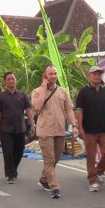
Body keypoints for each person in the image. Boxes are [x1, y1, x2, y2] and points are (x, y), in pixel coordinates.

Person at [31, 65, 78, 199]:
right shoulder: (37, 91)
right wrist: (44, 88)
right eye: (50, 74)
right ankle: (54, 186)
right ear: (45, 76)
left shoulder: (62, 92)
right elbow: (37, 106)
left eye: (55, 74)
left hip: (59, 130)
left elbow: (69, 109)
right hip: (45, 130)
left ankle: (43, 179)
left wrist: (74, 125)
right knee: (49, 159)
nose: (53, 76)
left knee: (56, 158)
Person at [76, 66, 105, 193]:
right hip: (89, 129)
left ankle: (98, 172)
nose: (97, 76)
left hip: (104, 129)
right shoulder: (83, 92)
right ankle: (93, 180)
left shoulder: (104, 91)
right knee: (91, 156)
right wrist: (80, 127)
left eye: (99, 74)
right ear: (89, 76)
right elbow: (79, 110)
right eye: (94, 74)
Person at [0, 72, 35, 184]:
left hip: (20, 129)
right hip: (5, 129)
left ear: (16, 80)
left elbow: (29, 110)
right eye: (8, 79)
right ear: (5, 81)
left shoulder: (22, 95)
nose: (11, 81)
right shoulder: (1, 96)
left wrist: (33, 124)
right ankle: (11, 175)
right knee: (7, 152)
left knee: (19, 152)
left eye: (13, 78)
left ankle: (13, 170)